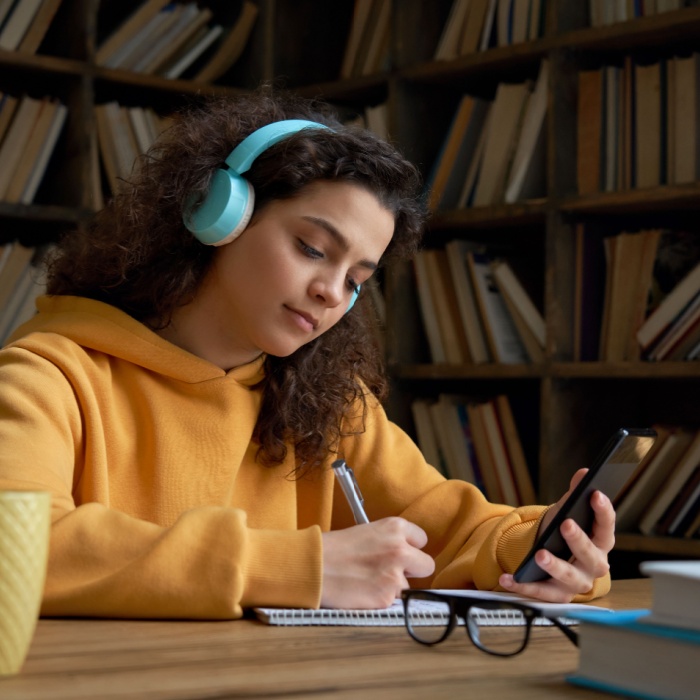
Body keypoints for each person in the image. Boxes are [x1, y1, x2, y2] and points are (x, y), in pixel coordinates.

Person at [0, 86, 613, 620]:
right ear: (219, 214)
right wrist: (297, 565)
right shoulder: (50, 377)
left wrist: (544, 546)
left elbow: (453, 531)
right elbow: (17, 551)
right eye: (314, 248)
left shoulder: (329, 407)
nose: (330, 292)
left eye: (356, 280)